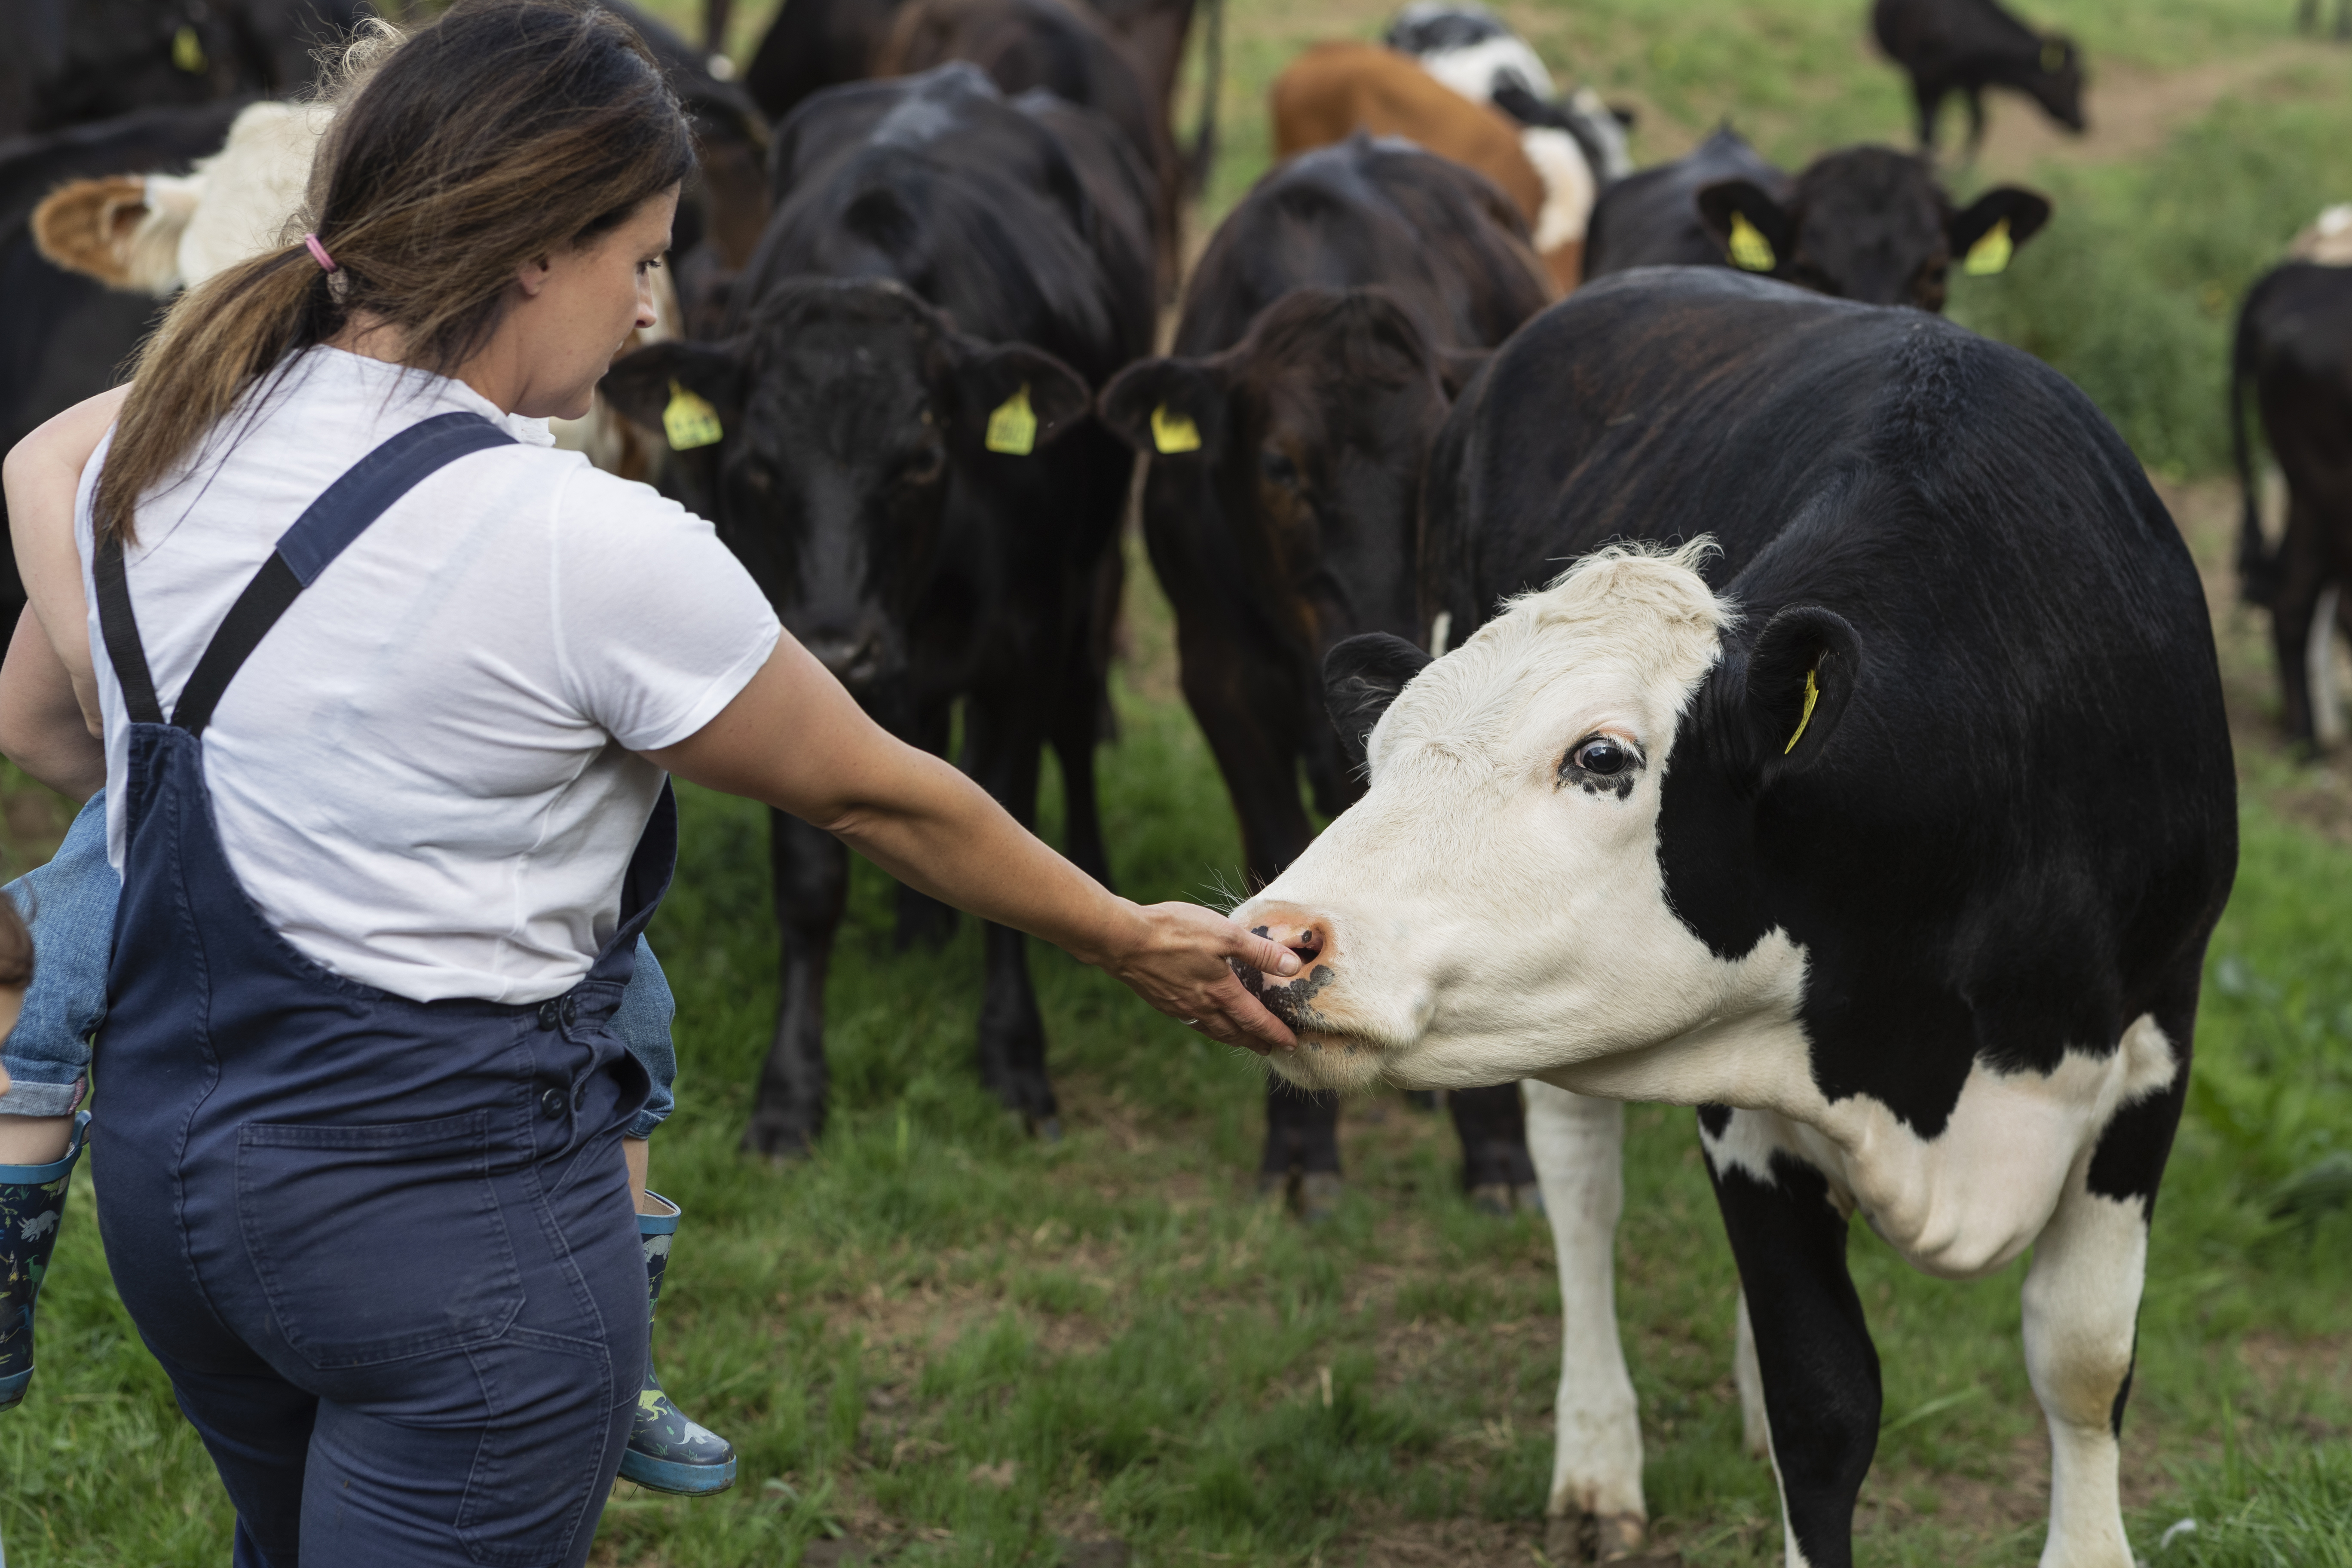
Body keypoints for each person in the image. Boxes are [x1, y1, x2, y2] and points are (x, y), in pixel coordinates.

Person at [0, 3, 1298, 1564]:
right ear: (535, 250)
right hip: (450, 1247)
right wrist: (1126, 936)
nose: (648, 313)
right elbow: (879, 795)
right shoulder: (582, 544)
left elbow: (62, 733)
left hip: (176, 1208)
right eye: (639, 259)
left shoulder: (150, 453)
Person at [0, 788, 739, 1493]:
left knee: (630, 999)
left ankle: (624, 1355)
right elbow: (42, 715)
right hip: (211, 785)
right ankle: (6, 1288)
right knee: (50, 956)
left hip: (463, 818)